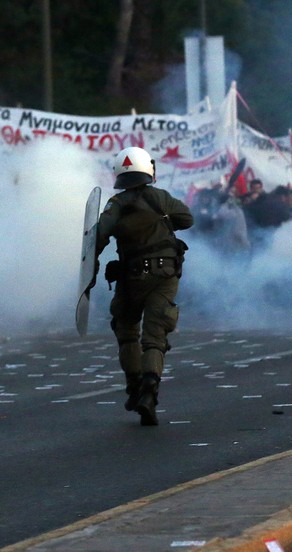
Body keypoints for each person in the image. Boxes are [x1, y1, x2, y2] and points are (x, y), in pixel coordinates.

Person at [96, 147, 194, 426]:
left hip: (131, 277)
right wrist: (163, 220)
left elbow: (99, 236)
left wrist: (89, 271)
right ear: (148, 170)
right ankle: (149, 393)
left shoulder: (116, 204)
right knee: (155, 335)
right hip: (164, 276)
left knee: (127, 330)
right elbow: (187, 219)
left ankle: (134, 386)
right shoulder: (160, 198)